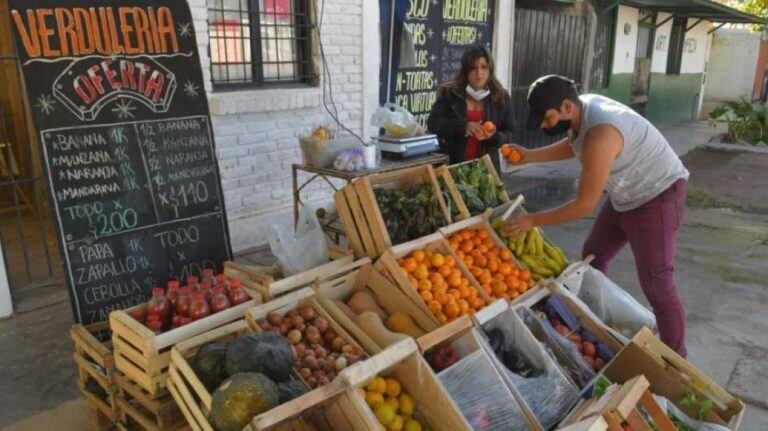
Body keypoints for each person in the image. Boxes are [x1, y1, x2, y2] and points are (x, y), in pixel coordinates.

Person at [503, 75, 690, 356]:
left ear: (566, 107)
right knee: (594, 254)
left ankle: (676, 362)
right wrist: (530, 156)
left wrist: (532, 220)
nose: (544, 125)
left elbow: (584, 206)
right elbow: (575, 145)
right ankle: (594, 322)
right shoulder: (583, 112)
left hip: (657, 196)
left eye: (548, 118)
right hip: (626, 193)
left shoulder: (601, 133)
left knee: (657, 282)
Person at [427, 45, 516, 165]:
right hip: (451, 166)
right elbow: (433, 124)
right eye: (473, 68)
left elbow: (511, 135)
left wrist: (493, 136)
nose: (479, 73)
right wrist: (463, 126)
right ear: (465, 71)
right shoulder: (450, 93)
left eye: (484, 67)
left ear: (490, 70)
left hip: (485, 171)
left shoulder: (501, 97)